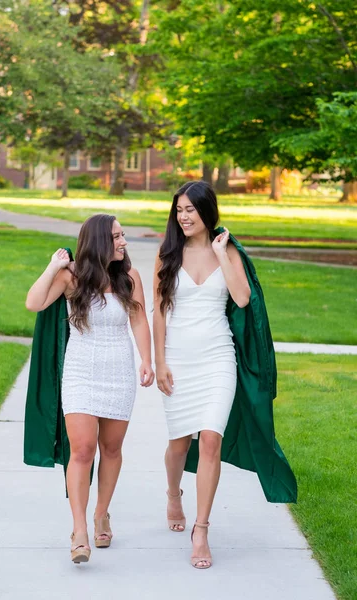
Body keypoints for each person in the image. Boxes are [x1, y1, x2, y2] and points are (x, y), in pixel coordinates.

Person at [26, 214, 154, 564]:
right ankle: (79, 529)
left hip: (119, 372)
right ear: (99, 240)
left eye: (123, 235)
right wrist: (52, 267)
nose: (123, 242)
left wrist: (147, 359)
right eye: (116, 236)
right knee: (82, 450)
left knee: (111, 449)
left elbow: (139, 318)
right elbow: (33, 302)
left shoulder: (129, 277)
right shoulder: (72, 277)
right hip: (81, 371)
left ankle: (102, 512)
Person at [153, 180, 253, 569]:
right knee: (179, 445)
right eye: (179, 210)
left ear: (206, 212)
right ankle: (174, 493)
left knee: (210, 440)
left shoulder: (227, 251)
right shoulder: (167, 255)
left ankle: (201, 529)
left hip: (217, 357)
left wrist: (220, 253)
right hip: (177, 358)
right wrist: (159, 362)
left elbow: (242, 298)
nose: (183, 216)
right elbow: (158, 311)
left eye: (190, 210)